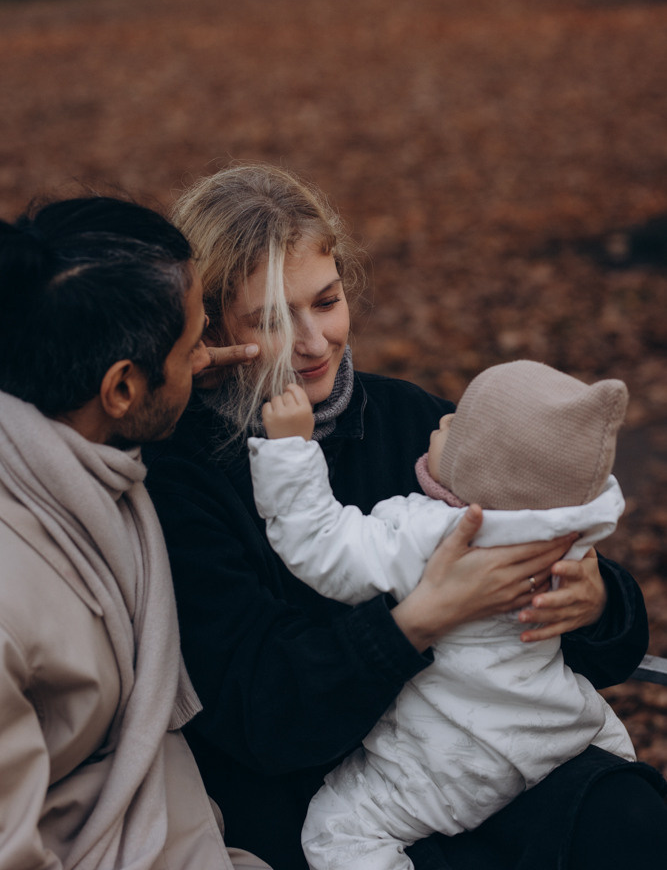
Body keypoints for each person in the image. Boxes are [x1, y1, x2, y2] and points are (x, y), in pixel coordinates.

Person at [143, 163, 666, 870]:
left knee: (629, 817)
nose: (313, 342)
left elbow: (575, 642)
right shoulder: (186, 476)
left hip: (476, 747)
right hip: (315, 794)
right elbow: (258, 715)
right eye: (270, 320)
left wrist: (598, 601)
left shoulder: (413, 422)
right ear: (211, 328)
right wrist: (419, 620)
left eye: (324, 302)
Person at [249, 362, 638, 869]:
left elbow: (320, 544)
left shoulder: (429, 536)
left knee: (336, 831)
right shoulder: (564, 534)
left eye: (457, 427)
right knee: (619, 769)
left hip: (452, 760)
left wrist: (290, 451)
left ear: (483, 469)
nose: (442, 420)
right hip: (558, 727)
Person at [0, 196, 269, 870]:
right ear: (121, 391)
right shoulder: (12, 598)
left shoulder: (58, 436)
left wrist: (175, 373)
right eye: (188, 347)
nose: (203, 356)